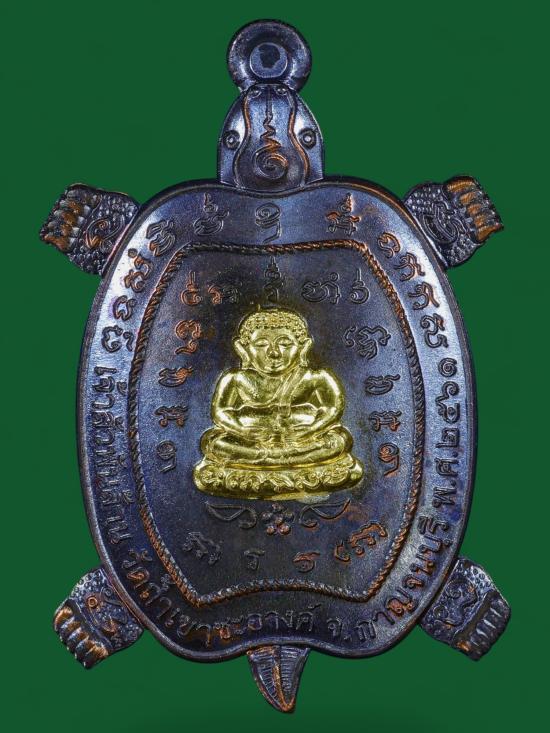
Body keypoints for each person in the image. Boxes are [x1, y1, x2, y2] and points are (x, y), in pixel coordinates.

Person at [193, 308, 363, 499]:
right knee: (214, 443)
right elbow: (221, 412)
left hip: (301, 439)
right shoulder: (236, 379)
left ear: (303, 347)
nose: (274, 353)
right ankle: (288, 468)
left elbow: (332, 408)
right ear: (243, 348)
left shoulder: (315, 377)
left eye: (285, 343)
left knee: (338, 440)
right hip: (252, 441)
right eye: (261, 344)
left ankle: (265, 467)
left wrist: (311, 430)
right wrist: (243, 432)